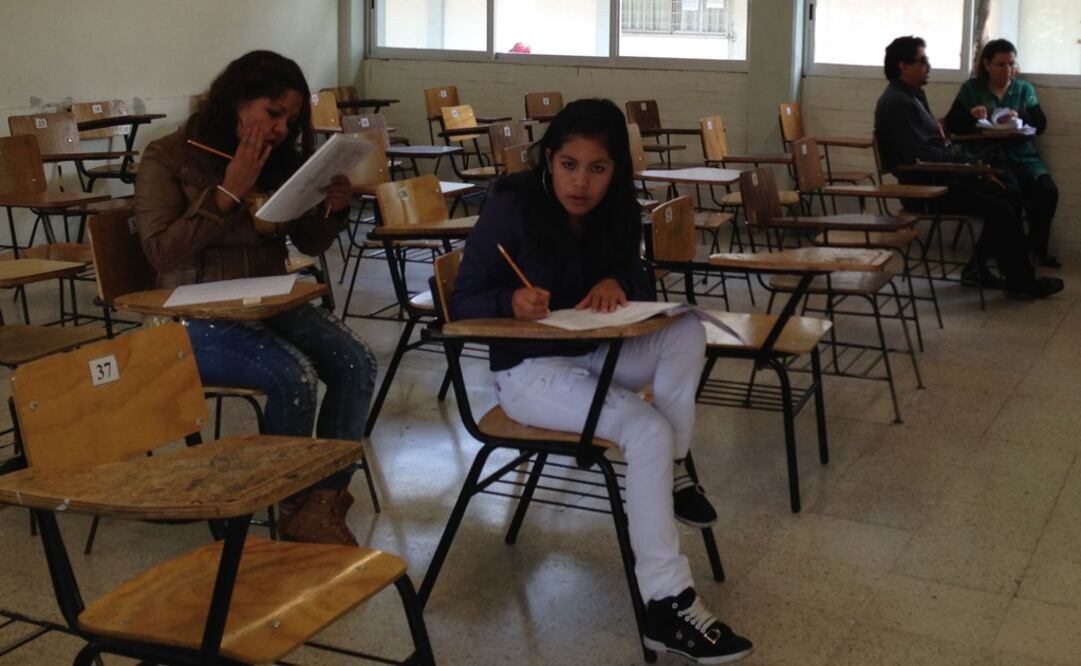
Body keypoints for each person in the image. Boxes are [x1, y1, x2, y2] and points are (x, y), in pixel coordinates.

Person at [451, 98, 753, 664]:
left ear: (617, 169)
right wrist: (509, 300)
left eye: (597, 168)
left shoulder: (616, 208)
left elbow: (633, 270)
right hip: (529, 371)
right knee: (645, 434)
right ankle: (666, 604)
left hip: (594, 349)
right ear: (549, 158)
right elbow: (463, 299)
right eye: (568, 164)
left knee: (686, 328)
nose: (581, 182)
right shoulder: (512, 204)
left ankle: (674, 471)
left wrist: (617, 277)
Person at [134, 50, 376, 545]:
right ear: (237, 101)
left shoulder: (275, 161)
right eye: (273, 113)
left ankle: (322, 500)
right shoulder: (167, 156)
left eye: (290, 119)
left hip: (266, 299)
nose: (282, 129)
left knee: (357, 361)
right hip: (188, 314)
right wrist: (226, 193)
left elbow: (306, 243)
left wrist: (331, 209)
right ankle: (287, 500)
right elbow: (159, 252)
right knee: (294, 376)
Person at [874, 36, 1062, 299]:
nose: (928, 65)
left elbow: (935, 145)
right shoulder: (897, 102)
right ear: (904, 66)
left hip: (941, 178)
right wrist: (971, 165)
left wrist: (971, 165)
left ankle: (990, 272)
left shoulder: (912, 96)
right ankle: (1019, 282)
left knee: (1010, 195)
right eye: (922, 60)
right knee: (1003, 207)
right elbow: (918, 157)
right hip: (925, 188)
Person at [944, 38, 1060, 268]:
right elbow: (953, 123)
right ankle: (1009, 254)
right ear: (986, 65)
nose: (1007, 70)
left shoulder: (1024, 89)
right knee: (1009, 193)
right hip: (987, 157)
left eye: (1011, 64)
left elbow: (1040, 122)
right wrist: (971, 116)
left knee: (1047, 191)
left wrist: (1021, 117)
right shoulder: (972, 88)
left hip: (1023, 156)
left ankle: (1036, 249)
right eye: (1000, 64)